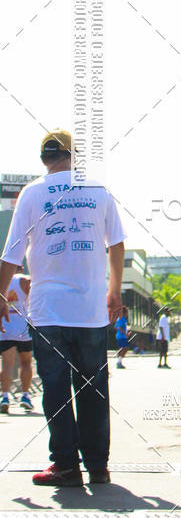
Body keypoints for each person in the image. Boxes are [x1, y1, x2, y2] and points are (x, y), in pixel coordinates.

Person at [0, 129, 125, 487]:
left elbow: (11, 253)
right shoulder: (98, 191)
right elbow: (116, 243)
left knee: (55, 388)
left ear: (44, 159)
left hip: (48, 309)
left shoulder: (32, 193)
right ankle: (98, 466)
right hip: (89, 310)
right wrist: (114, 289)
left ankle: (67, 466)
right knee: (94, 389)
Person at [0, 268, 34, 412]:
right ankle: (25, 395)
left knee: (7, 364)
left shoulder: (2, 283)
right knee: (26, 362)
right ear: (20, 268)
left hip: (6, 328)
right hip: (23, 329)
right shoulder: (25, 280)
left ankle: (5, 396)